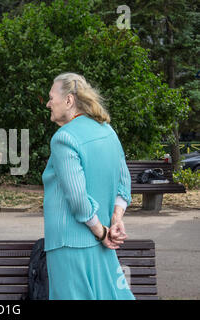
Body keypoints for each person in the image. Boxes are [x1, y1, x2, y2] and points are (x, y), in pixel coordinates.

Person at [42, 72, 135, 300]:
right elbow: (124, 182)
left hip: (69, 243)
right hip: (102, 241)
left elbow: (77, 197)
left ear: (69, 100)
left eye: (51, 97)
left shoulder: (64, 138)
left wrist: (102, 232)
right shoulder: (107, 131)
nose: (48, 103)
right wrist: (115, 221)